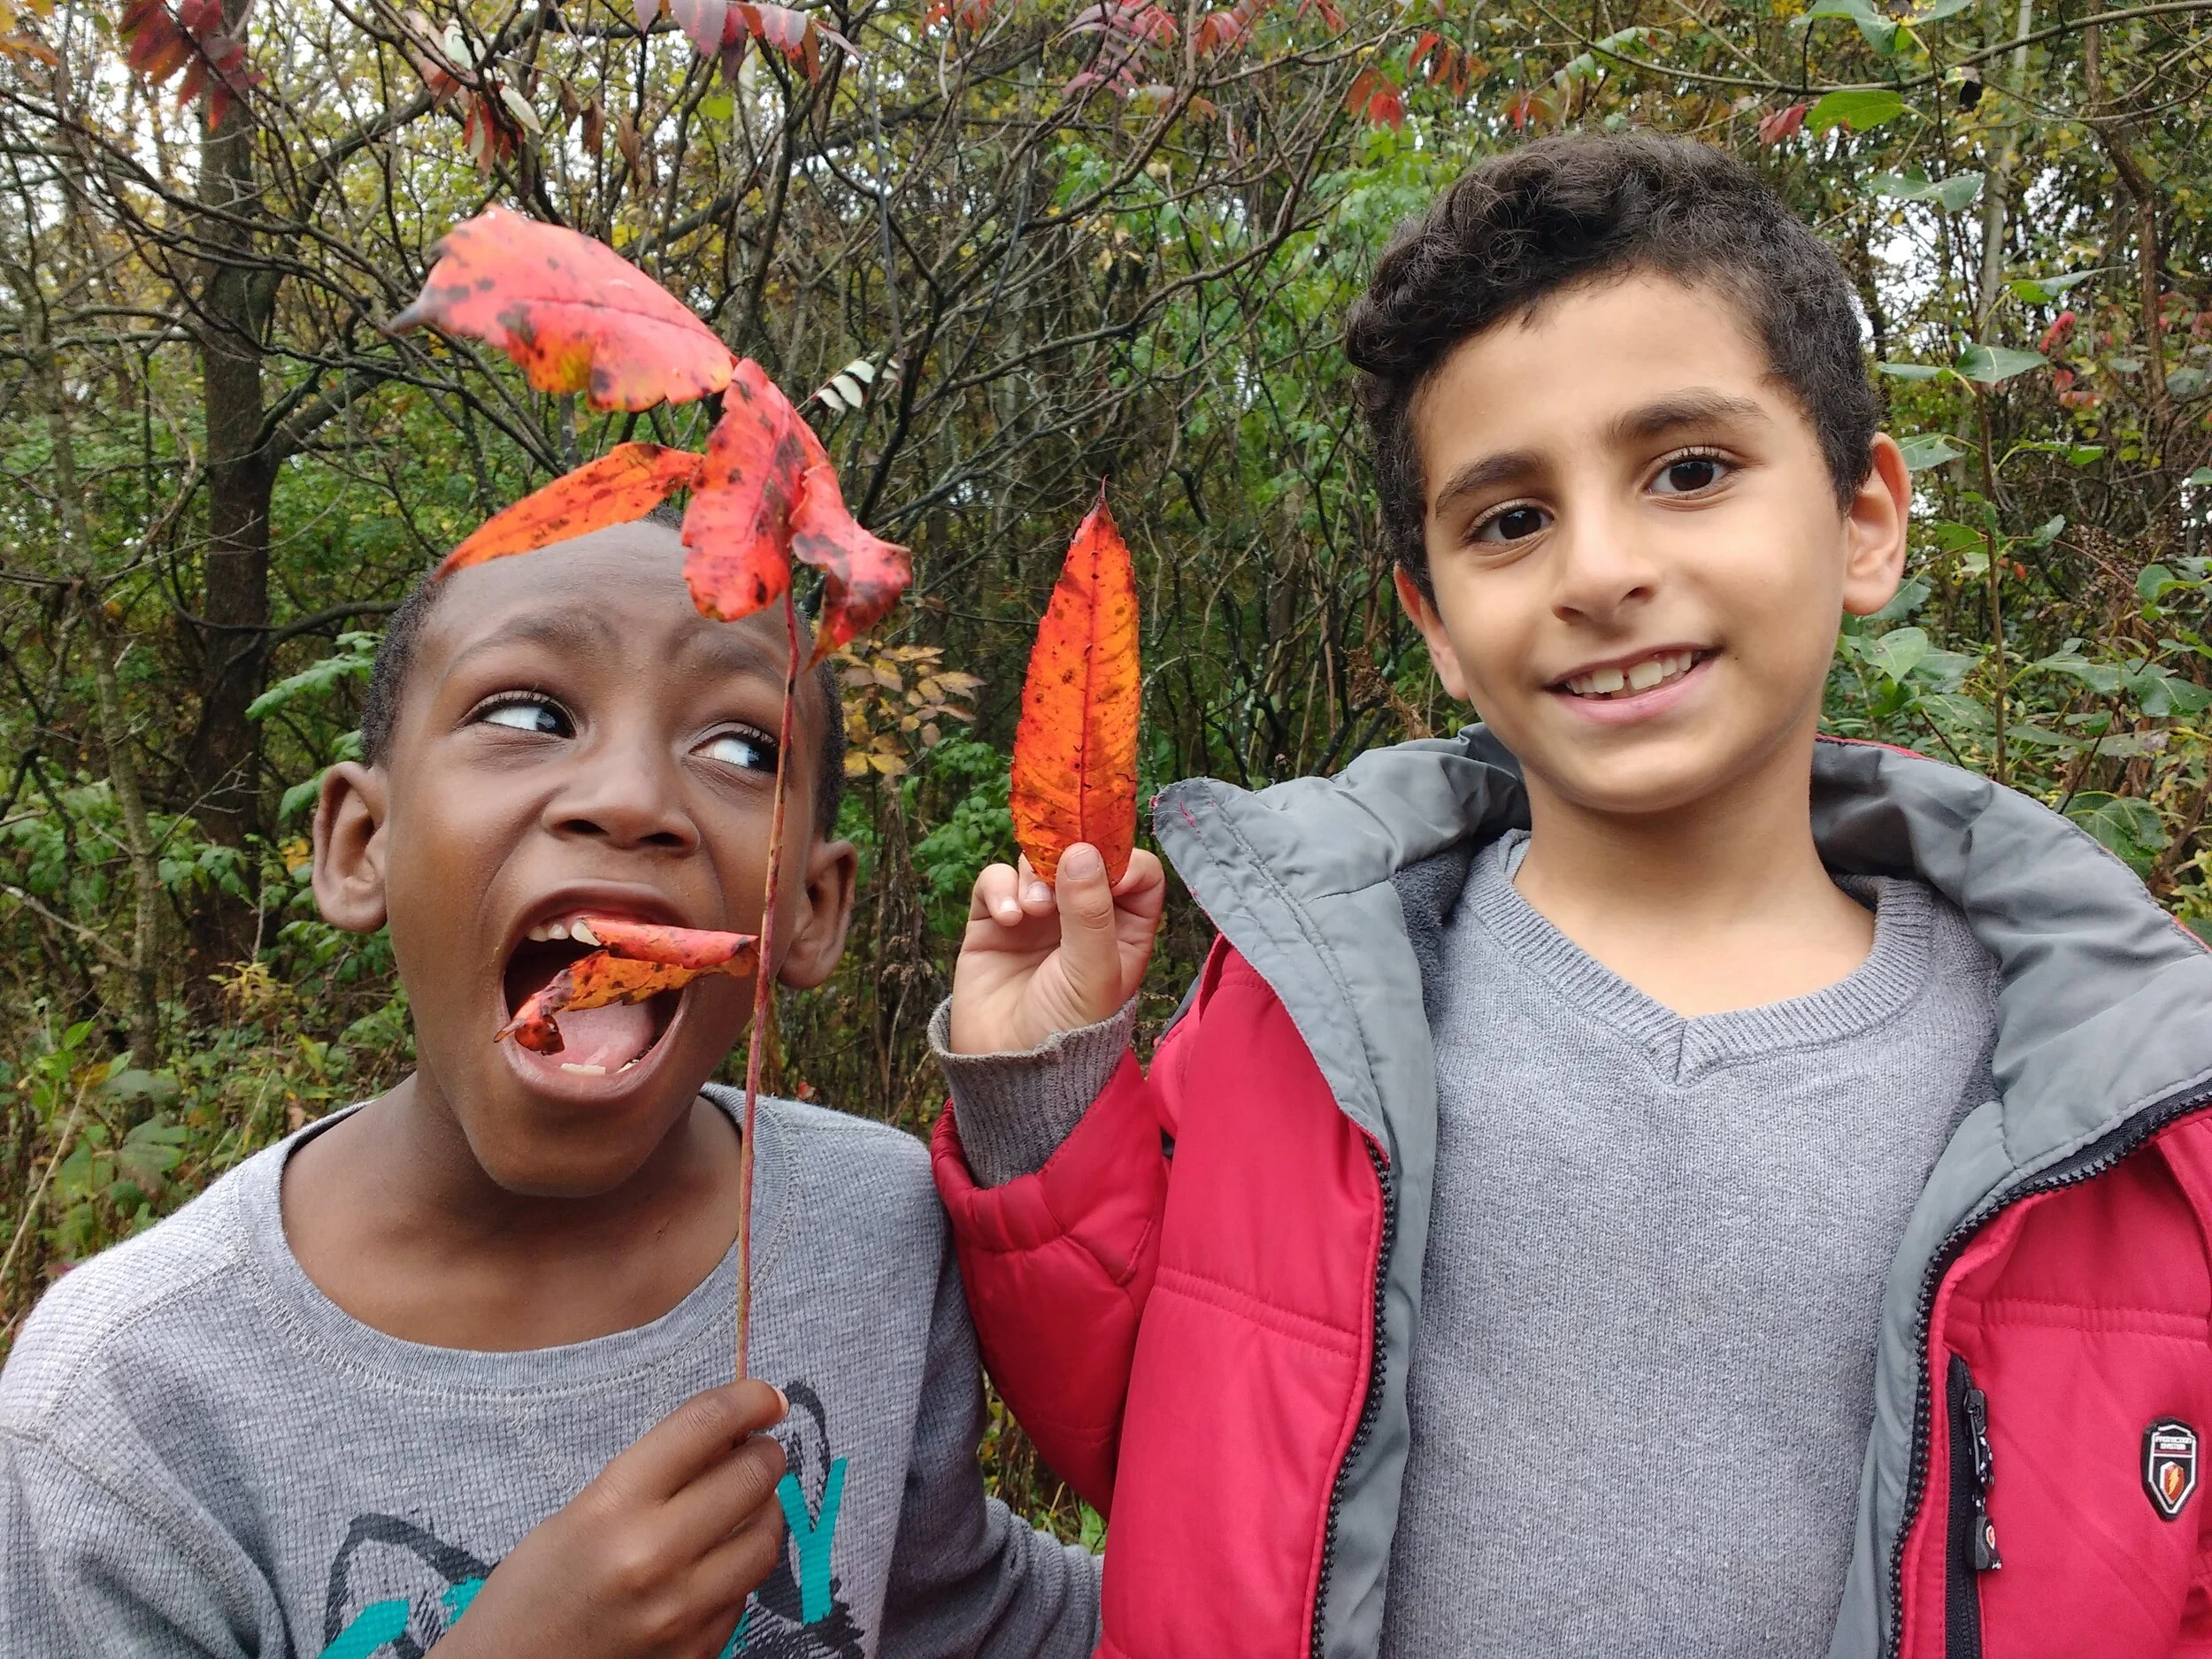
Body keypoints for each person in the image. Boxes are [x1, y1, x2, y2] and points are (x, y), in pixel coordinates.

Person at [927, 134, 2212, 1659]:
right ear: (1440, 624)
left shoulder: (2114, 1109)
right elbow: (1163, 1435)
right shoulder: (1319, 1007)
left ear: (1866, 519)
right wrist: (1046, 1080)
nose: (1599, 570)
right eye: (1509, 519)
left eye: (1689, 471)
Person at [0, 514, 1101, 1659]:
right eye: (528, 714)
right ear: (359, 842)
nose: (629, 797)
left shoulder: (877, 1228)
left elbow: (978, 1621)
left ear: (810, 911)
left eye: (742, 748)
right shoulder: (124, 1402)